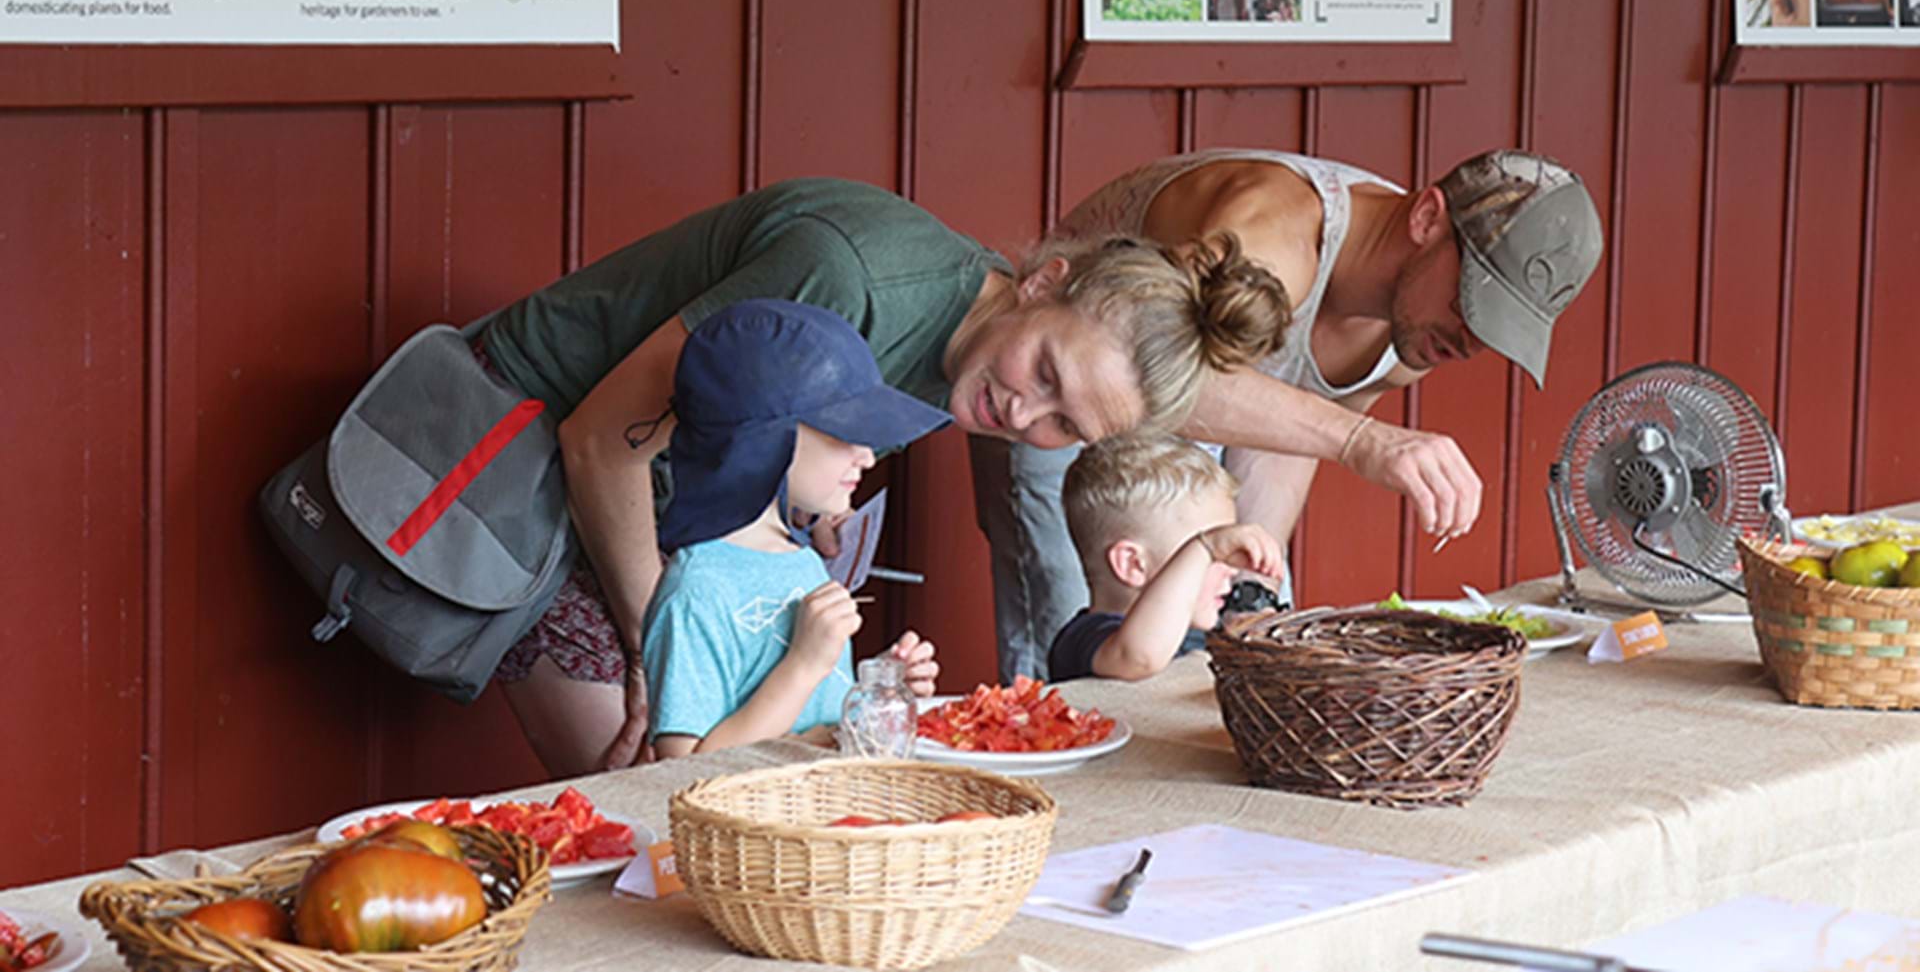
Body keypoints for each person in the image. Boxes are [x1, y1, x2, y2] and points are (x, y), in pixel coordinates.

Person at [477, 176, 1326, 776]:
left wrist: (797, 511)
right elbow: (600, 440)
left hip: (676, 517)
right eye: (1045, 374)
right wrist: (652, 645)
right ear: (1044, 281)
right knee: (635, 792)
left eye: (1066, 425)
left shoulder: (978, 361)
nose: (1026, 417)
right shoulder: (855, 277)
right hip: (530, 473)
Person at [971, 149, 1604, 683]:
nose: (1470, 341)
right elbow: (1157, 378)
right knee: (1079, 661)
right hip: (1056, 391)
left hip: (1190, 433)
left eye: (1496, 328)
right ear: (1428, 217)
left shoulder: (1420, 328)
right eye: (1473, 302)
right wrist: (1364, 439)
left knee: (1242, 644)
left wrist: (1252, 590)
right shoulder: (1272, 230)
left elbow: (1290, 437)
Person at [641, 301, 944, 757]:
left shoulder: (802, 561)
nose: (866, 456)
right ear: (765, 440)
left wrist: (879, 689)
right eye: (846, 432)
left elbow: (812, 726)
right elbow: (685, 770)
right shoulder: (696, 591)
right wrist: (804, 664)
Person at [1050, 431, 1287, 682]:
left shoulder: (1196, 634)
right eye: (1212, 557)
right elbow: (1140, 658)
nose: (1231, 570)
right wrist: (1203, 548)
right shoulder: (1087, 639)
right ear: (1133, 565)